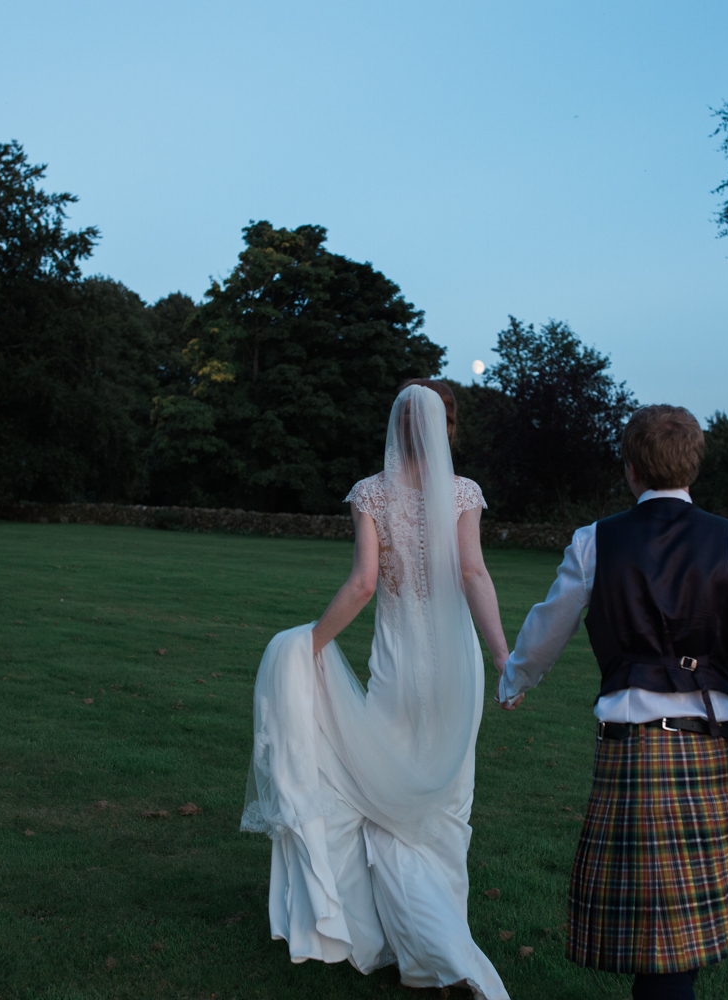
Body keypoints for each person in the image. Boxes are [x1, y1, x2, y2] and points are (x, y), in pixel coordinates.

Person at [496, 404, 728, 1000]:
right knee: (670, 946)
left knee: (663, 947)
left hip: (633, 754)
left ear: (630, 469)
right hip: (712, 751)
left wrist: (516, 681)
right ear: (693, 467)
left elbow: (547, 627)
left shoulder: (595, 541)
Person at [241, 380, 511, 999]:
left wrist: (308, 645)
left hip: (398, 664)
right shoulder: (464, 493)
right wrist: (502, 657)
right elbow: (473, 572)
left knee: (388, 806)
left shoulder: (371, 493)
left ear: (398, 427)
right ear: (447, 428)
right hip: (458, 669)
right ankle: (437, 954)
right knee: (446, 807)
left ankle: (430, 957)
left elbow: (364, 584)